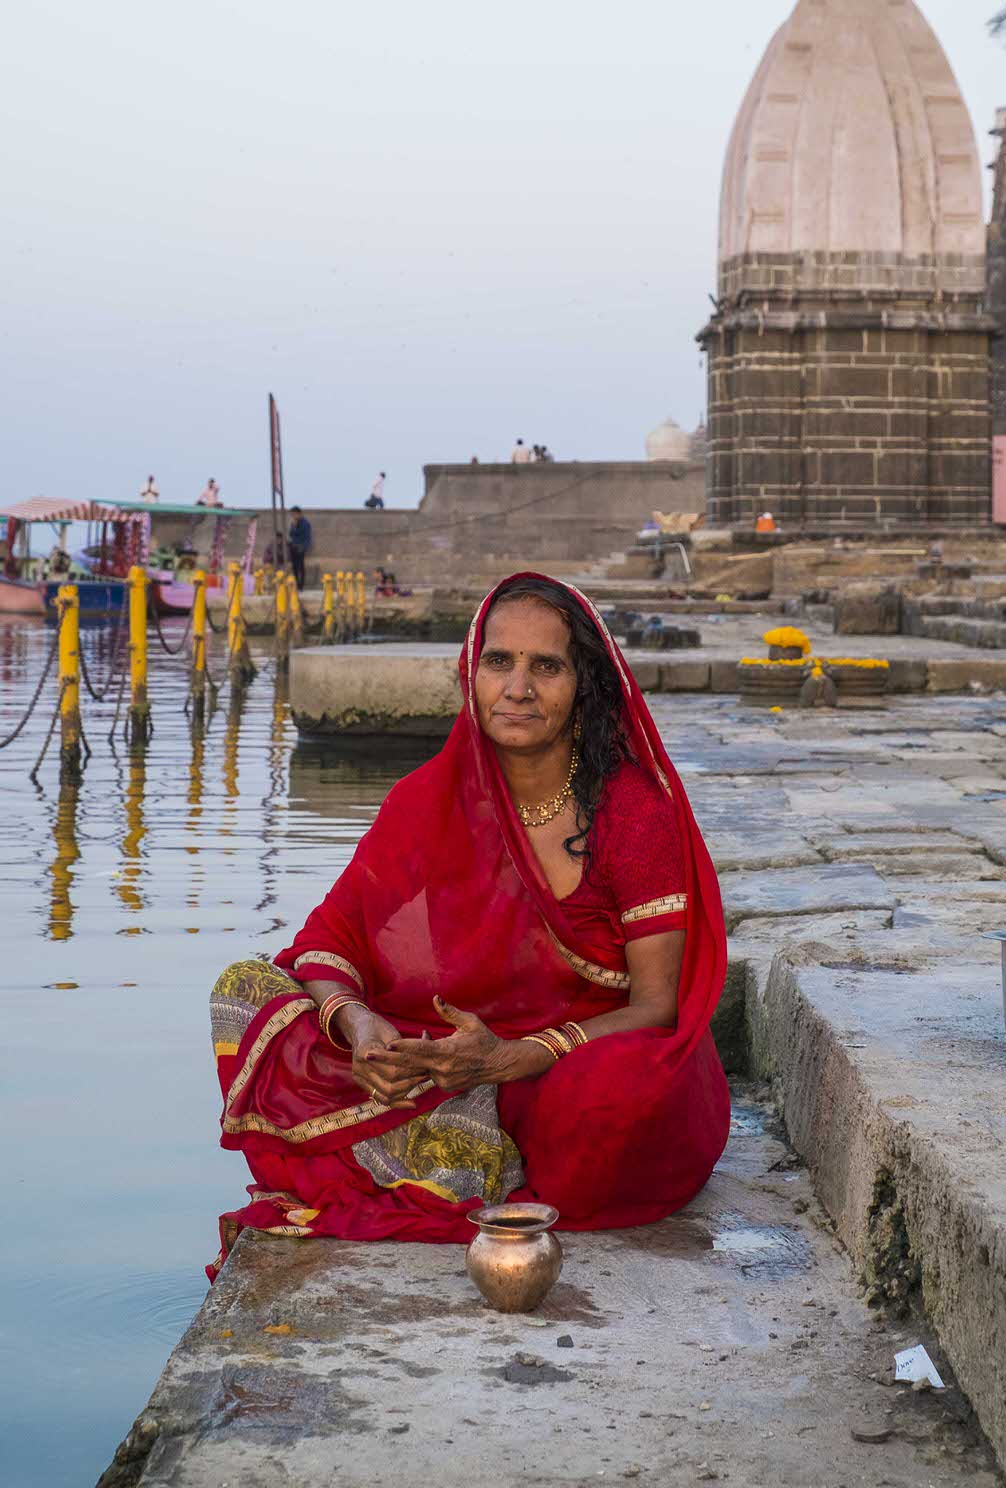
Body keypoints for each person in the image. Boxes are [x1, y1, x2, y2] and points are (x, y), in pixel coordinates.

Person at [207, 573, 730, 1276]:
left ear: (584, 685)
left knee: (612, 1100)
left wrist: (519, 1055)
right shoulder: (426, 801)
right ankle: (465, 1154)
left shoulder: (633, 813)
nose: (517, 688)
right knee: (243, 990)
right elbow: (328, 942)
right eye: (498, 661)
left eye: (546, 666)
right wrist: (358, 1025)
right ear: (470, 673)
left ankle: (454, 1155)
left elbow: (656, 1005)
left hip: (571, 1066)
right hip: (448, 1066)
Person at [287, 507, 312, 591]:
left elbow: (306, 536)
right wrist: (293, 526)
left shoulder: (305, 523)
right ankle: (296, 584)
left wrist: (304, 547)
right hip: (293, 547)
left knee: (300, 566)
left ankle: (301, 586)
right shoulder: (293, 523)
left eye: (294, 514)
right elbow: (291, 534)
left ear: (299, 514)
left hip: (301, 547)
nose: (293, 516)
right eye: (292, 515)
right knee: (294, 567)